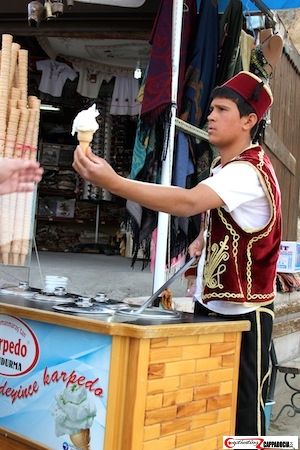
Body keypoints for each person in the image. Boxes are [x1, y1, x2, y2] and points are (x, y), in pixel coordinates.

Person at [73, 71, 282, 436]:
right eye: (211, 108)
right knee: (206, 406)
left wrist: (114, 183)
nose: (210, 117)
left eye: (221, 109)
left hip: (246, 315)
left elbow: (188, 202)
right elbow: (222, 216)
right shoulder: (226, 167)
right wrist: (204, 239)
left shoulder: (249, 171)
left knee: (243, 419)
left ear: (249, 120)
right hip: (213, 307)